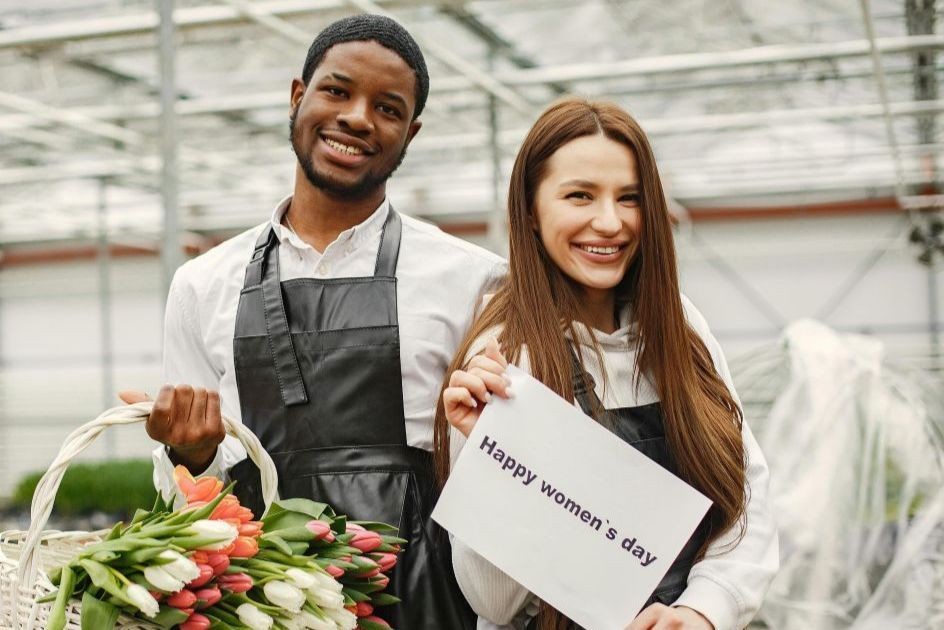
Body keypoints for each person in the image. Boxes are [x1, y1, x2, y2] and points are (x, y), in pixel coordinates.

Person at [119, 14, 504, 628]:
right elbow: (190, 502)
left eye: (387, 107)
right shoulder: (203, 284)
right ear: (298, 96)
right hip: (264, 599)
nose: (356, 117)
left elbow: (501, 473)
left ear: (411, 133)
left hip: (427, 602)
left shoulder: (475, 281)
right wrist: (190, 455)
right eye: (337, 91)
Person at [436, 98, 779, 630]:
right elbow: (494, 603)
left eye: (630, 198)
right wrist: (496, 455)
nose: (609, 222)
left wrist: (704, 609)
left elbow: (744, 497)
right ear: (530, 208)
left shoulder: (681, 330)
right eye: (579, 196)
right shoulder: (504, 356)